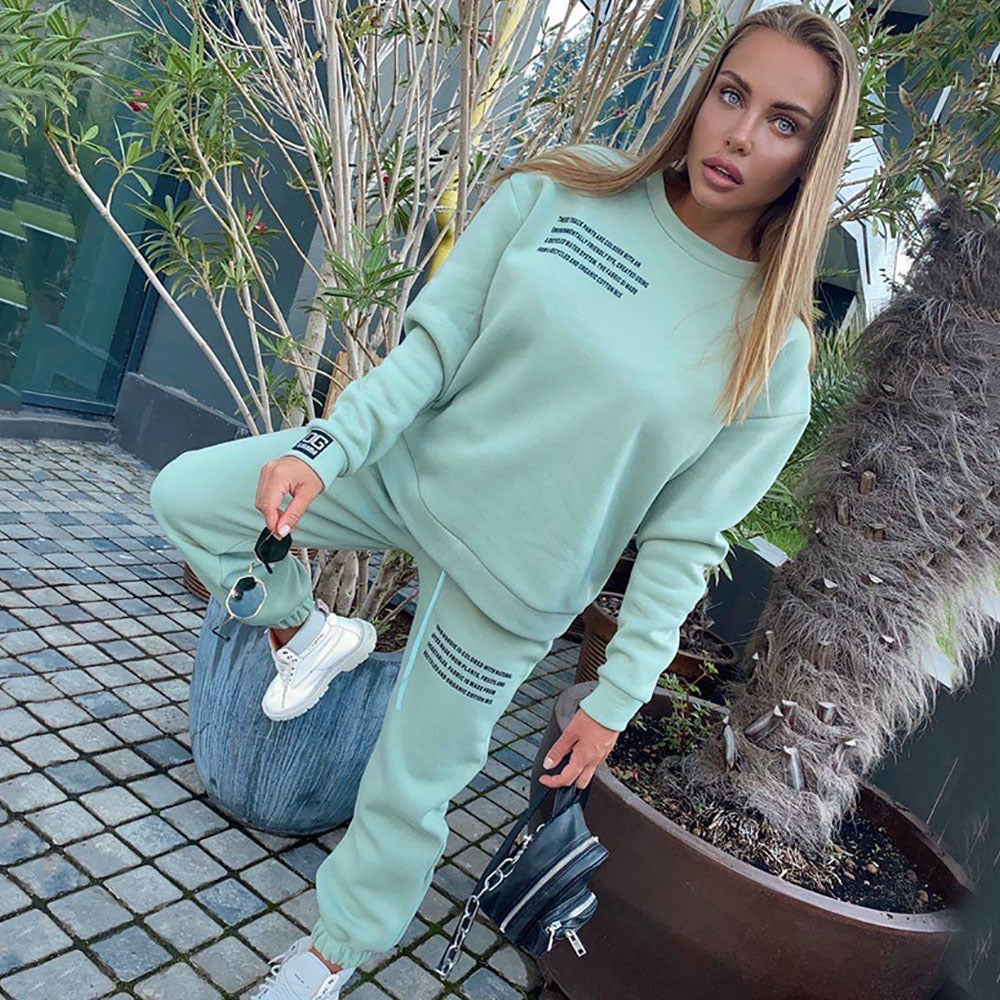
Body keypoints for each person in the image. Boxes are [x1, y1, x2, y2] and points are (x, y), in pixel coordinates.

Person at [148, 5, 860, 997]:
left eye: (783, 122)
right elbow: (433, 348)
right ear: (703, 94)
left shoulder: (769, 355)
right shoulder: (567, 187)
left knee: (411, 784)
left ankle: (327, 956)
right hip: (408, 473)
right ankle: (306, 632)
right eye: (732, 94)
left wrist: (614, 702)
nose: (739, 134)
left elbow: (684, 540)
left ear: (811, 159)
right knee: (193, 493)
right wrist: (328, 445)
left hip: (515, 582)